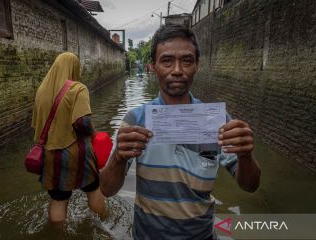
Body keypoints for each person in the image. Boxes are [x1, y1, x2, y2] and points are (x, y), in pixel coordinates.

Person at [100, 24, 261, 239]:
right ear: (153, 67)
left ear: (196, 66)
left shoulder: (216, 121)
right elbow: (106, 190)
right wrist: (118, 157)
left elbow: (250, 186)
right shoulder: (136, 120)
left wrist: (245, 155)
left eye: (186, 61)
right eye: (167, 61)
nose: (177, 70)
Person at [32, 52, 106, 223]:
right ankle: (104, 223)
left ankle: (59, 233)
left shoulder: (42, 90)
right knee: (93, 189)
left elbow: (38, 124)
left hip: (50, 153)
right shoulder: (77, 88)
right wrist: (94, 133)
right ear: (74, 67)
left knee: (58, 199)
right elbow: (83, 122)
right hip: (75, 151)